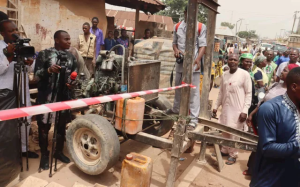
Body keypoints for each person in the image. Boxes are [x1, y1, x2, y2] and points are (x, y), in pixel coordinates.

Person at [244, 63, 299, 176]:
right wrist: (252, 114)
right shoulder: (273, 95)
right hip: (271, 176)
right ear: (294, 87)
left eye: (285, 70)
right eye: (282, 70)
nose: (282, 72)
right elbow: (267, 147)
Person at [0, 20, 36, 186]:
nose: (15, 33)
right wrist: (8, 54)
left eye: (16, 30)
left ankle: (23, 150)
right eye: (10, 31)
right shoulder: (1, 47)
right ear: (2, 33)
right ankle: (8, 155)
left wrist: (29, 62)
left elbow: (31, 67)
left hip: (22, 88)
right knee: (7, 126)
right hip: (5, 94)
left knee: (25, 118)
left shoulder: (22, 44)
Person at [34, 30, 77, 170]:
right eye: (66, 39)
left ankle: (58, 152)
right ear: (57, 40)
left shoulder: (72, 58)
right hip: (46, 98)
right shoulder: (44, 54)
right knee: (44, 128)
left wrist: (71, 83)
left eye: (69, 39)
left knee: (60, 127)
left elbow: (74, 77)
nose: (69, 42)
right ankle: (45, 156)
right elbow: (36, 75)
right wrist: (49, 71)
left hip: (63, 98)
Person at [166, 5, 206, 130]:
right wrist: (176, 50)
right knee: (178, 88)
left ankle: (193, 120)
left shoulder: (200, 27)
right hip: (180, 64)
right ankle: (176, 110)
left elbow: (202, 46)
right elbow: (174, 43)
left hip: (193, 65)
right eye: (191, 12)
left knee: (193, 93)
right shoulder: (177, 26)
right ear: (185, 12)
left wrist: (198, 59)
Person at [212, 53, 252, 165]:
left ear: (238, 62)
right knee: (225, 129)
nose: (233, 61)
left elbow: (249, 94)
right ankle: (224, 150)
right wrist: (216, 106)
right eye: (231, 59)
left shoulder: (244, 74)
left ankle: (233, 155)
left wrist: (245, 111)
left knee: (235, 132)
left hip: (238, 109)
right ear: (227, 61)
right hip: (226, 107)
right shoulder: (224, 74)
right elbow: (221, 92)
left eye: (235, 60)